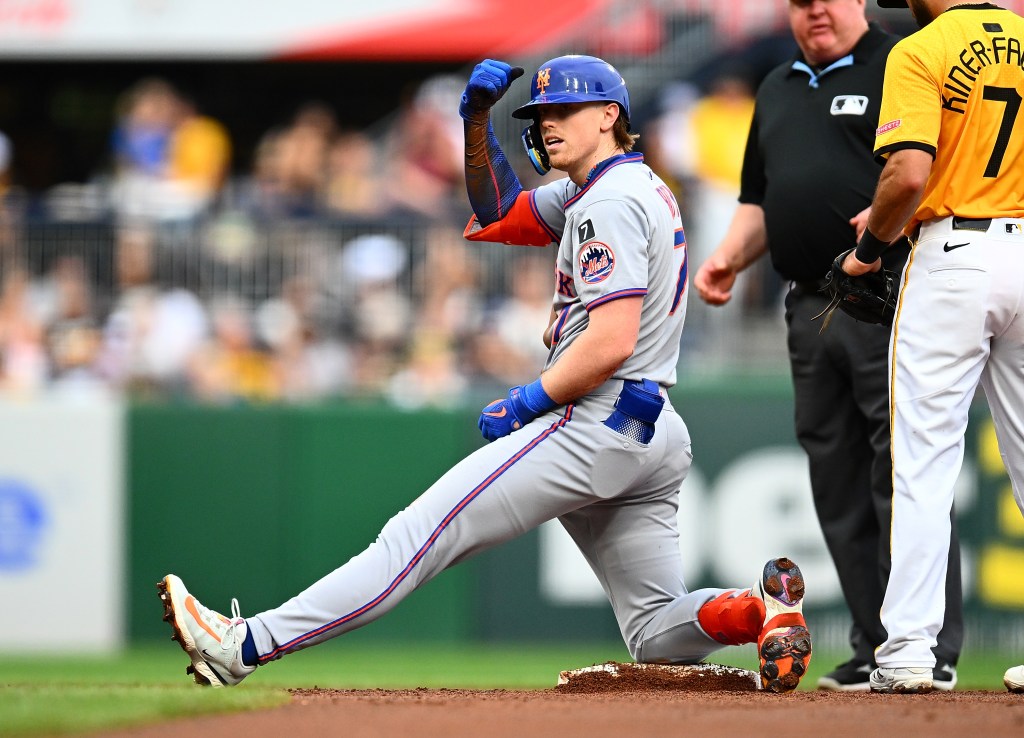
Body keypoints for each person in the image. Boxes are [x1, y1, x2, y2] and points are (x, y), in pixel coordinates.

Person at [157, 55, 813, 693]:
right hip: (651, 428)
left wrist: (529, 399)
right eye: (542, 112)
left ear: (611, 113)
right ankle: (758, 611)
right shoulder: (623, 187)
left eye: (566, 109)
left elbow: (610, 340)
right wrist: (475, 124)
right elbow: (501, 214)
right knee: (652, 629)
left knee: (415, 539)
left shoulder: (607, 202)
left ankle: (241, 645)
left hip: (595, 416)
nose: (548, 122)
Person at [692, 0, 963, 691]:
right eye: (799, 0)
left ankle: (925, 644)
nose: (813, 9)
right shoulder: (779, 84)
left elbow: (924, 166)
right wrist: (729, 256)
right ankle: (874, 643)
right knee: (836, 477)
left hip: (885, 294)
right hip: (806, 301)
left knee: (900, 471)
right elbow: (761, 197)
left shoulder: (900, 60)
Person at [837, 0, 1024, 694]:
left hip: (955, 255)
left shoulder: (920, 47)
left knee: (923, 462)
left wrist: (866, 251)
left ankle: (911, 651)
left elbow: (909, 175)